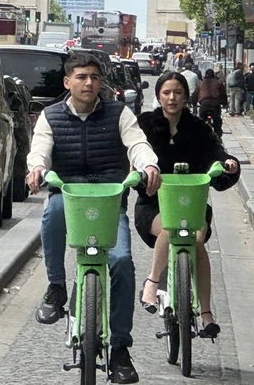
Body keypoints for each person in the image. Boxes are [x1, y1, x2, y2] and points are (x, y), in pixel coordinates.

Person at [26, 51, 161, 385]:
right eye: (81, 77)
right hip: (69, 197)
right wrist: (37, 168)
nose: (88, 83)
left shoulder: (120, 114)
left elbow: (138, 144)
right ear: (67, 82)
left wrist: (148, 164)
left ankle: (120, 348)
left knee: (122, 262)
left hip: (109, 202)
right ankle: (56, 287)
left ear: (101, 82)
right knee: (52, 210)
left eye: (94, 77)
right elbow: (40, 148)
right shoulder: (50, 115)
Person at [135, 72, 240, 338]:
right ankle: (152, 283)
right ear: (158, 96)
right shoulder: (145, 125)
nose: (172, 98)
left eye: (178, 92)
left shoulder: (199, 127)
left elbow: (217, 153)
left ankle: (206, 313)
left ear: (186, 96)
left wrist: (227, 163)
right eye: (166, 92)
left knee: (196, 240)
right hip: (153, 204)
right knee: (171, 228)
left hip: (192, 203)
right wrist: (139, 175)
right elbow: (133, 154)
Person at [192, 69, 227, 137]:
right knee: (217, 121)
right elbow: (223, 94)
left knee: (201, 122)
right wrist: (224, 103)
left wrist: (194, 104)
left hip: (204, 104)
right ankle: (218, 135)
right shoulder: (218, 83)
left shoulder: (201, 83)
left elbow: (195, 94)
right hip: (215, 105)